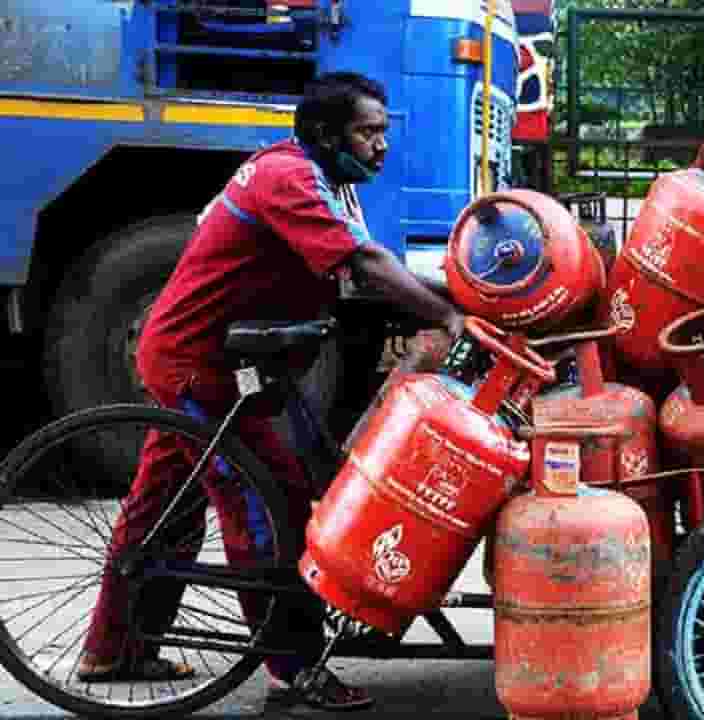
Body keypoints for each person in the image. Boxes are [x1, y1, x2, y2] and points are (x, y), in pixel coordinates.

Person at [77, 71, 462, 711]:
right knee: (265, 500)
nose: (381, 147)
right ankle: (291, 666)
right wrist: (445, 316)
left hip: (199, 357)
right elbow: (364, 266)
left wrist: (442, 298)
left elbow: (363, 266)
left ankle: (112, 648)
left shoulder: (316, 181)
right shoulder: (291, 178)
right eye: (369, 133)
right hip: (197, 366)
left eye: (382, 133)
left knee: (162, 508)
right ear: (322, 132)